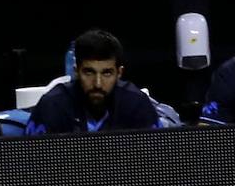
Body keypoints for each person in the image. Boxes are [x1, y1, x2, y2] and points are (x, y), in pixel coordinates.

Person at [25, 28, 164, 134]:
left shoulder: (137, 104)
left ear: (119, 73)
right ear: (76, 71)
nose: (97, 83)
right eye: (89, 72)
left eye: (107, 73)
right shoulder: (52, 106)